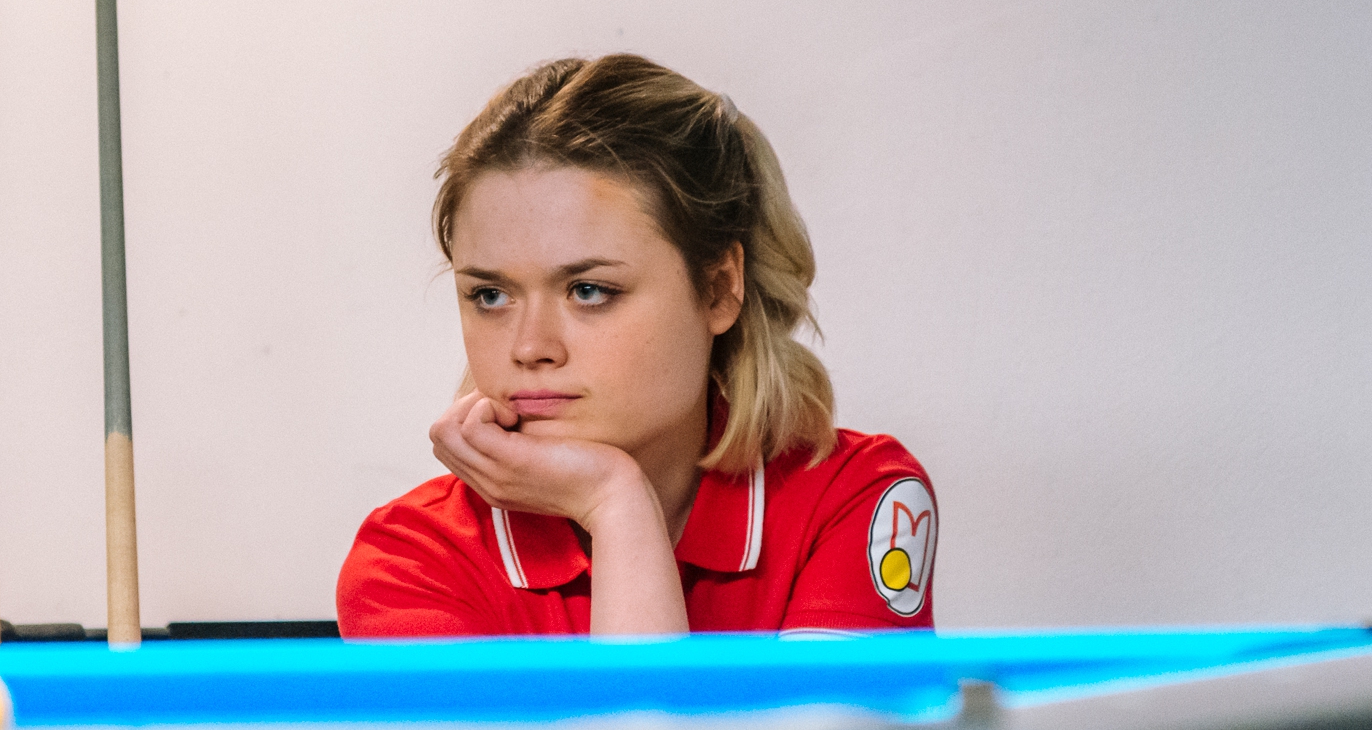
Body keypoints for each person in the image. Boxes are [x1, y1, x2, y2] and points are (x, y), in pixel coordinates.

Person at [337, 54, 937, 637]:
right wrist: (613, 497)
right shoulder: (409, 559)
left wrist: (615, 503)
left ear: (718, 289)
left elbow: (672, 708)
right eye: (490, 295)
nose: (530, 348)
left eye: (589, 290)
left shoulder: (854, 496)